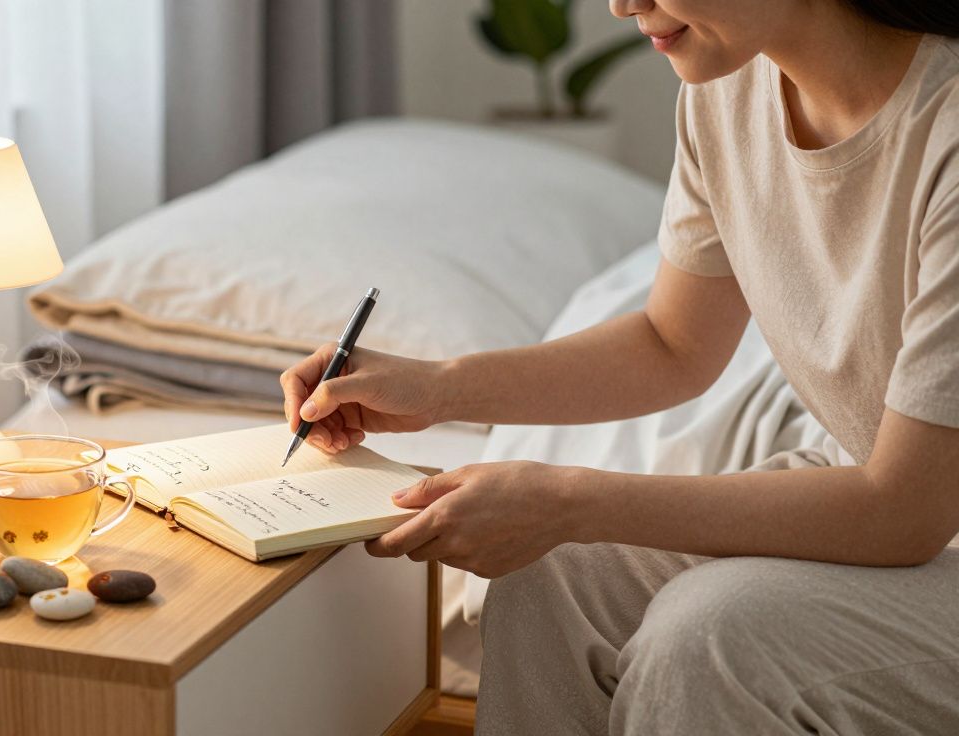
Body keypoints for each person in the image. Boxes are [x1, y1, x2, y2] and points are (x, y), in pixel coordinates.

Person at [280, 0, 959, 732]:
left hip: (913, 516)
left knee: (708, 637)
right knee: (548, 576)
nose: (621, 3)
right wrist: (437, 388)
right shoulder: (726, 90)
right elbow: (673, 343)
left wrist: (570, 499)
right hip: (878, 498)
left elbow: (905, 511)